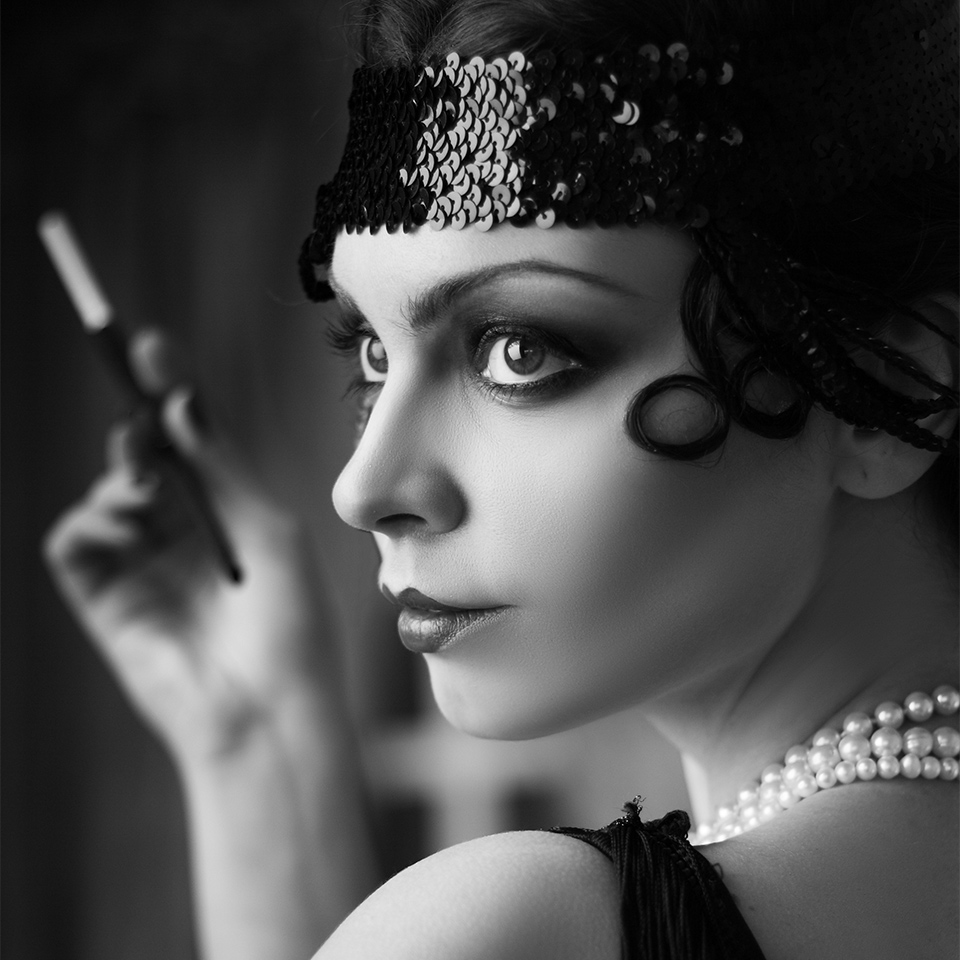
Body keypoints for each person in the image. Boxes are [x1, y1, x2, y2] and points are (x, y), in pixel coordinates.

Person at [45, 0, 959, 957]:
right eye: (371, 353)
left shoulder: (529, 922)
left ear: (889, 386)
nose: (362, 488)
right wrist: (257, 736)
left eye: (518, 350)